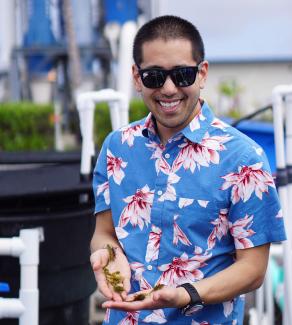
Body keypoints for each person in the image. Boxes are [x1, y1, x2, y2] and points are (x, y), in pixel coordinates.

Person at [90, 15, 286, 324]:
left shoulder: (244, 158)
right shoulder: (117, 147)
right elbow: (105, 233)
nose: (169, 89)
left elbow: (253, 269)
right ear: (136, 77)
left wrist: (186, 293)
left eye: (182, 74)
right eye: (154, 76)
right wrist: (109, 257)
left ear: (202, 73)